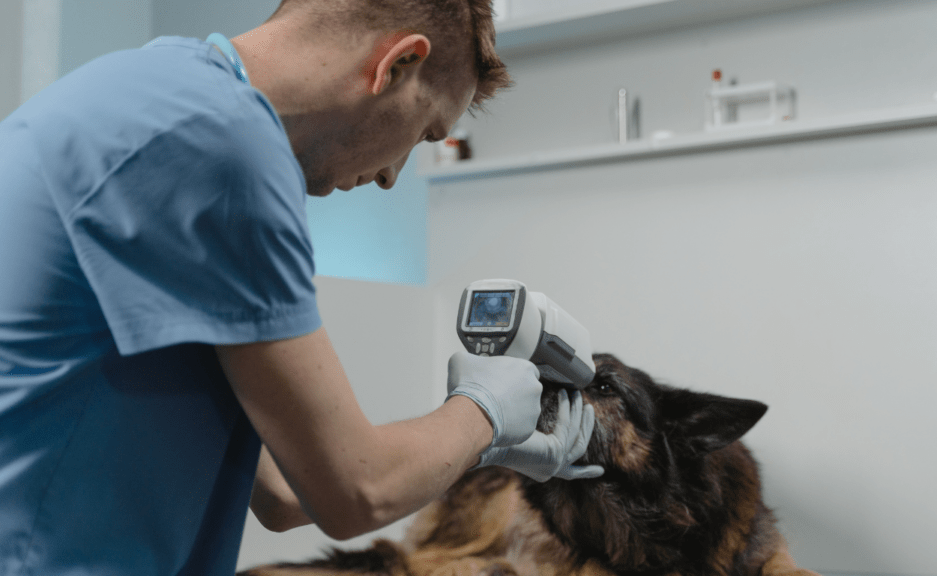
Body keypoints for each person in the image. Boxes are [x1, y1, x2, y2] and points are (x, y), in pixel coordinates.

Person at [0, 0, 602, 574]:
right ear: (397, 64)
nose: (394, 178)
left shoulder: (154, 92)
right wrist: (483, 413)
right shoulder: (221, 143)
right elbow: (357, 491)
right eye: (425, 133)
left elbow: (289, 490)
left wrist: (479, 446)